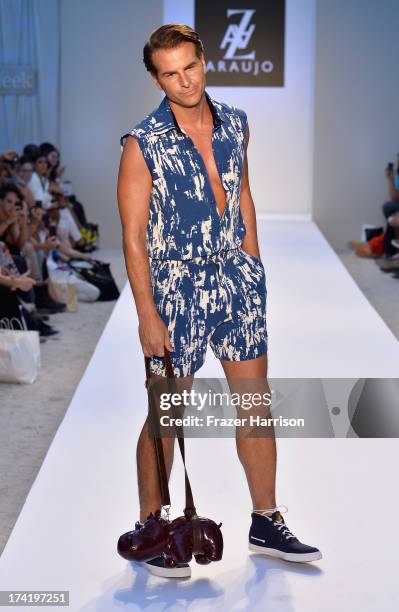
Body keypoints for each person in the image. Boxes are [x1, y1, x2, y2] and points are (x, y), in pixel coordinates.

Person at [117, 23, 322, 579]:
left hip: (236, 278)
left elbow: (242, 193)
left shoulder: (236, 123)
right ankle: (153, 527)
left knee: (254, 402)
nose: (183, 81)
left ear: (204, 60)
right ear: (155, 77)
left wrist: (253, 264)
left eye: (190, 66)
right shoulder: (142, 143)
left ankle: (266, 519)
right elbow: (133, 237)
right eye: (169, 73)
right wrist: (146, 313)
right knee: (167, 409)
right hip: (175, 286)